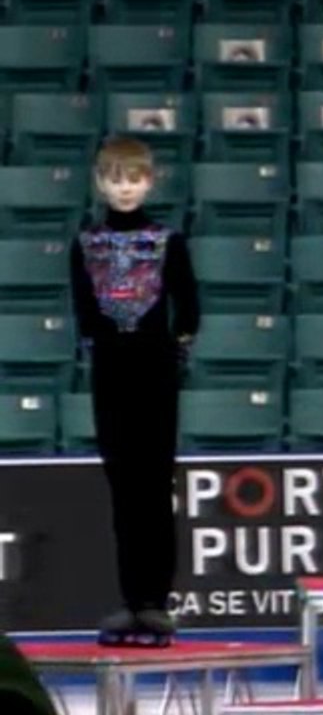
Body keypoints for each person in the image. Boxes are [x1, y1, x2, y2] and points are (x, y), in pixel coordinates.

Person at [70, 136, 200, 646]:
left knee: (153, 487)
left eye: (134, 178)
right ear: (101, 183)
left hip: (155, 373)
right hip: (110, 374)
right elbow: (84, 310)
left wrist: (174, 351)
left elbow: (188, 307)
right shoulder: (86, 243)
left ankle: (156, 601)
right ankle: (131, 600)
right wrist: (103, 349)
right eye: (115, 179)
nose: (125, 188)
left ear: (149, 181)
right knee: (123, 489)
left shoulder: (168, 241)